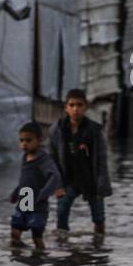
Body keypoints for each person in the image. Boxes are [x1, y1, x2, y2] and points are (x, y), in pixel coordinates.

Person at [50, 89, 111, 238]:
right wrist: (56, 185)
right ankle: (63, 249)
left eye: (79, 105)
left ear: (86, 107)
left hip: (90, 178)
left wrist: (102, 184)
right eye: (71, 105)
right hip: (68, 178)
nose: (75, 109)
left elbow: (101, 160)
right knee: (62, 211)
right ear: (66, 108)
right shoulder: (57, 130)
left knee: (98, 217)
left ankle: (99, 248)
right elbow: (52, 159)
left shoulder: (95, 131)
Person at [10, 121, 61, 250]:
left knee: (36, 237)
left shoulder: (43, 160)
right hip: (24, 202)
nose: (24, 144)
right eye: (21, 140)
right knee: (15, 232)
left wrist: (44, 193)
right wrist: (16, 193)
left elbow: (55, 176)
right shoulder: (25, 157)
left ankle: (41, 260)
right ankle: (17, 260)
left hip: (38, 206)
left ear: (39, 140)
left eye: (28, 140)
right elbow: (24, 180)